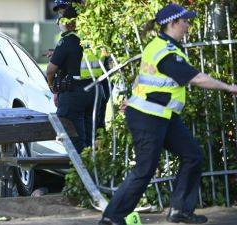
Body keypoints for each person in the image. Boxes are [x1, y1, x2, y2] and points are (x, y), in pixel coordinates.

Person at [99, 3, 237, 225]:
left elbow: (141, 77)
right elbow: (196, 78)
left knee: (192, 155)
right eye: (185, 22)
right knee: (145, 169)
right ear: (173, 23)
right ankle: (111, 218)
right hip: (148, 116)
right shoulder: (165, 51)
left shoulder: (163, 47)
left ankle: (179, 210)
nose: (188, 26)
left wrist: (132, 98)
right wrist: (229, 87)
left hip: (162, 115)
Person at [46, 0, 102, 153]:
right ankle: (93, 172)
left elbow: (50, 71)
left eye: (63, 13)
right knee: (90, 139)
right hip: (95, 91)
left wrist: (53, 88)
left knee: (74, 140)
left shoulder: (68, 39)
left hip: (75, 93)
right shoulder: (93, 38)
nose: (60, 17)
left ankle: (82, 174)